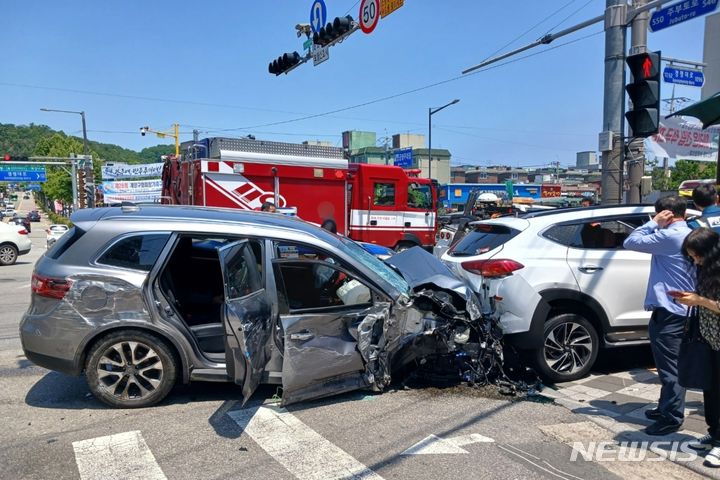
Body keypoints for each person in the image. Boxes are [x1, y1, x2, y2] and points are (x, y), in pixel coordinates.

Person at [623, 195, 696, 435]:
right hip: (682, 310)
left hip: (671, 311)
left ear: (666, 214)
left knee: (670, 368)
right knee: (669, 365)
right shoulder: (689, 232)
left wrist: (653, 222)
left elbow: (630, 242)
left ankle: (671, 417)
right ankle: (666, 407)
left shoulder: (669, 235)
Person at [674, 227, 720, 467]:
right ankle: (714, 433)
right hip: (709, 339)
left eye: (697, 256)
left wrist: (699, 300)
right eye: (692, 257)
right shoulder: (706, 271)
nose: (695, 261)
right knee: (710, 390)